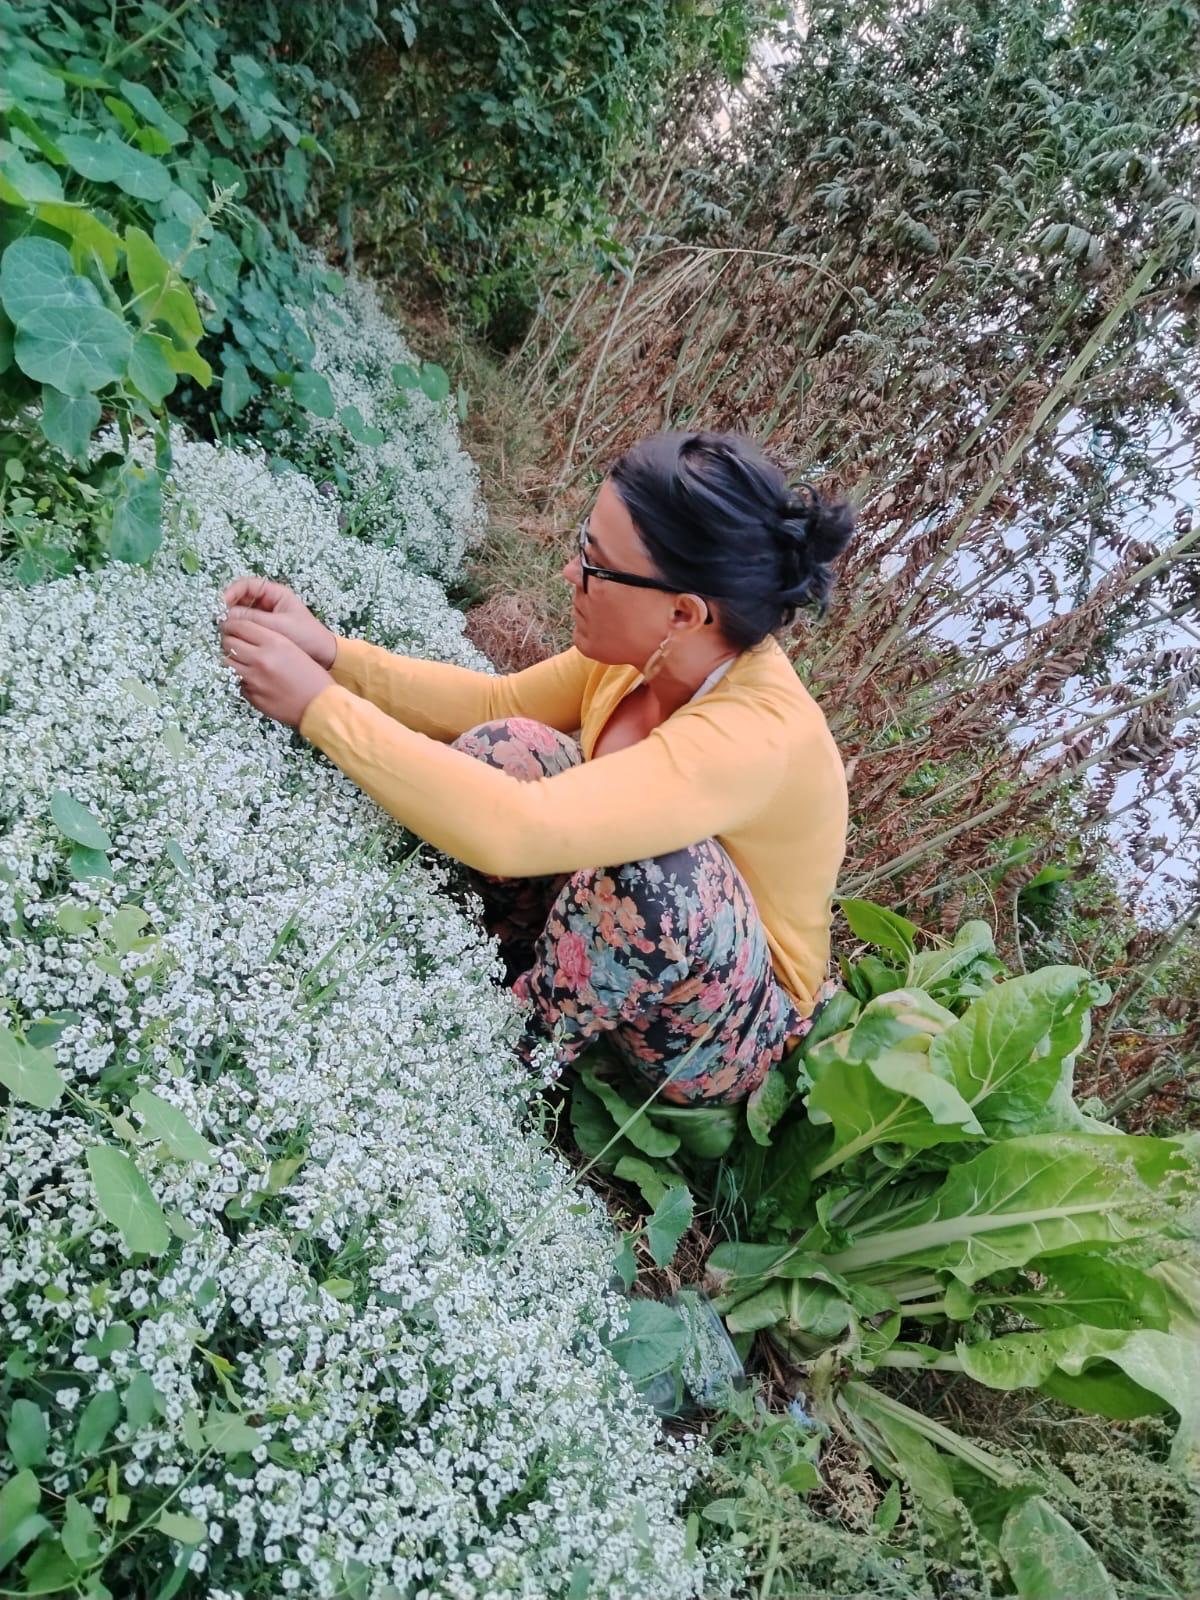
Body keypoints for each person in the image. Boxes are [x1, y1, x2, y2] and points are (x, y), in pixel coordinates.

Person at [219, 428, 855, 1105]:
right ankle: (485, 951)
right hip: (610, 924)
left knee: (659, 871)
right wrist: (332, 657)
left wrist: (319, 709)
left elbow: (516, 829)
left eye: (594, 563)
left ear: (683, 612)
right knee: (510, 747)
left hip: (723, 1029)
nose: (570, 575)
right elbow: (496, 701)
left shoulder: (755, 736)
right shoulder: (648, 654)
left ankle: (508, 1053)